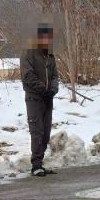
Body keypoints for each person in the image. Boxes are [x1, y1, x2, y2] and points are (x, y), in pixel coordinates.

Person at [20, 25, 59, 176]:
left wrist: (53, 90)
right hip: (34, 98)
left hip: (48, 98)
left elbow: (55, 75)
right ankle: (35, 165)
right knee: (37, 131)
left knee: (46, 133)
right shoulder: (28, 53)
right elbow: (27, 76)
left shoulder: (50, 55)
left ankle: (40, 163)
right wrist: (43, 89)